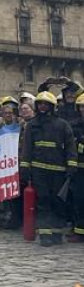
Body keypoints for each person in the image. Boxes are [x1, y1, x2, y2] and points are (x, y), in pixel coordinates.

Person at [20, 90, 77, 246]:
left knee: (57, 202)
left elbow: (70, 146)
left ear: (52, 106)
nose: (43, 106)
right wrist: (25, 167)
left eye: (46, 104)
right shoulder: (32, 125)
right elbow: (27, 148)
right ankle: (45, 234)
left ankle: (57, 234)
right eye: (40, 104)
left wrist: (72, 165)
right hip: (38, 170)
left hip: (59, 171)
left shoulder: (62, 125)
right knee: (43, 202)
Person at [69, 93, 84, 243]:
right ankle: (79, 231)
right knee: (79, 200)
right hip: (79, 170)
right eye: (82, 107)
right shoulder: (75, 125)